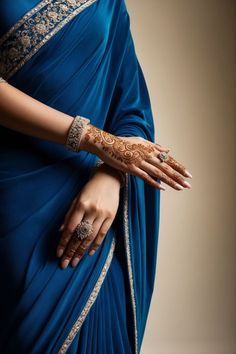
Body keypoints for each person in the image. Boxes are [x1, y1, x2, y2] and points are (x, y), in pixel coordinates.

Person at [0, 0, 192, 353]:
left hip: (95, 204)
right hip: (15, 202)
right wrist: (95, 141)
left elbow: (130, 103)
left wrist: (112, 172)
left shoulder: (108, 3)